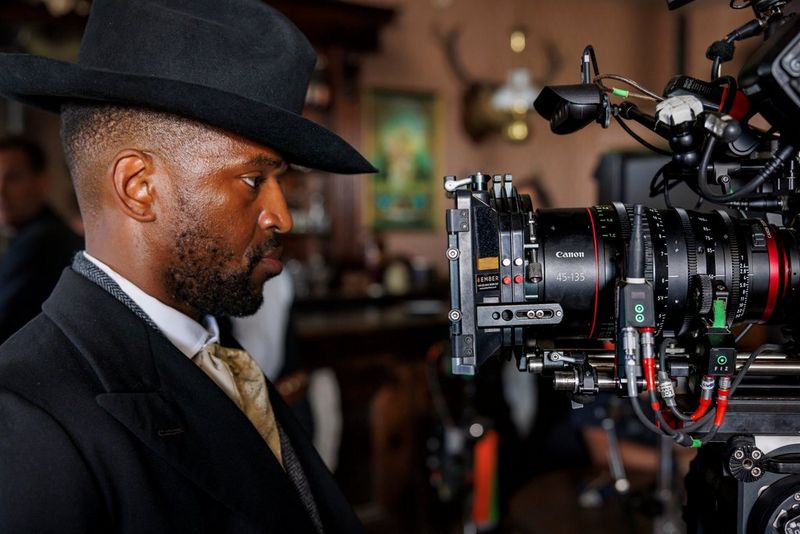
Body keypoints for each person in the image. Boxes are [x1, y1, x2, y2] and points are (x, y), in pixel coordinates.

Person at [0, 0, 375, 532]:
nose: (283, 216)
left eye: (282, 181)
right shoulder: (26, 420)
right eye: (253, 180)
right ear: (139, 188)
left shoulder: (214, 352)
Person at [0, 136, 82, 342]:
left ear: (41, 183)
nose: (1, 191)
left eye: (13, 178)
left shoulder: (39, 243)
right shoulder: (46, 233)